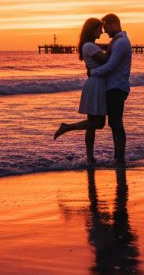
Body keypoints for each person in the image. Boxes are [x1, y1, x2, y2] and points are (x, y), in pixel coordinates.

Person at [54, 17, 109, 165]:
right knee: (99, 123)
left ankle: (90, 157)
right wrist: (115, 45)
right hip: (96, 84)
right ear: (92, 30)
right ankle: (68, 127)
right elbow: (105, 60)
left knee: (91, 124)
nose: (102, 32)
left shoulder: (88, 45)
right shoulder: (89, 46)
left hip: (95, 83)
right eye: (99, 29)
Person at [89, 13, 131, 166]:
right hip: (116, 86)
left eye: (106, 27)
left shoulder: (120, 43)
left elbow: (111, 65)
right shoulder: (119, 41)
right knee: (114, 123)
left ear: (113, 23)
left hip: (116, 87)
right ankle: (118, 157)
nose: (105, 31)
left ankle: (119, 159)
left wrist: (93, 72)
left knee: (116, 123)